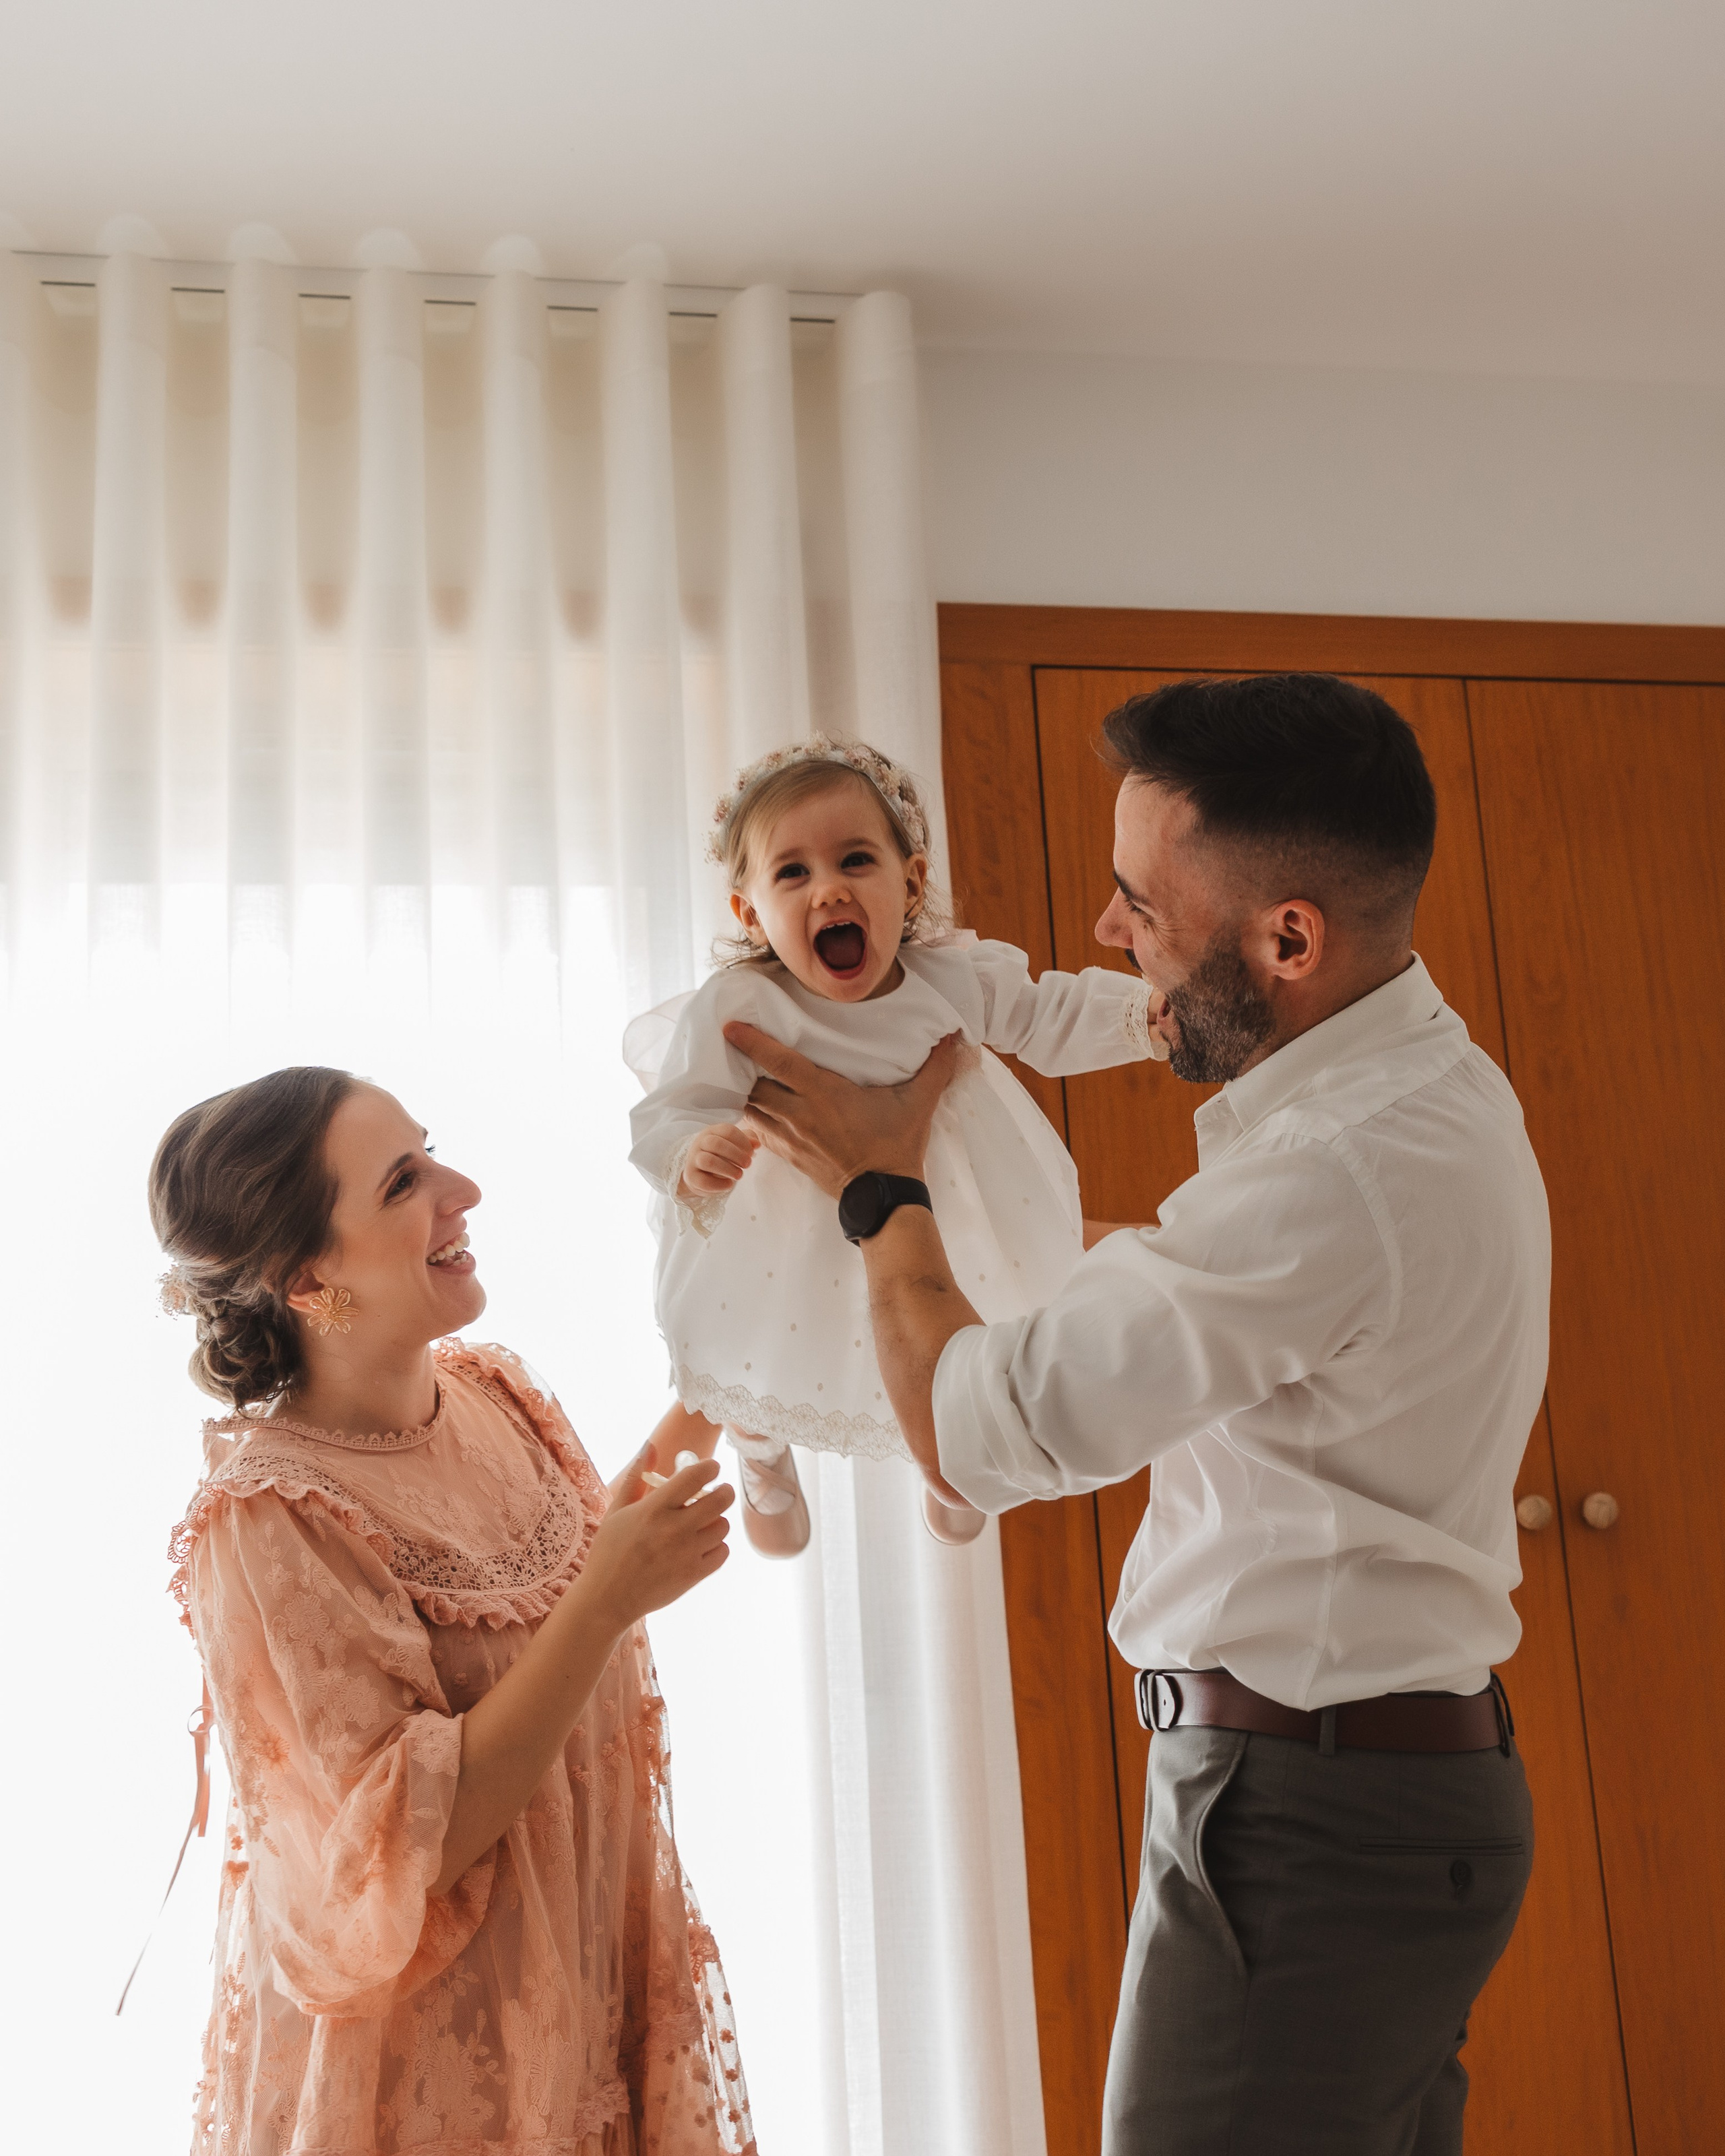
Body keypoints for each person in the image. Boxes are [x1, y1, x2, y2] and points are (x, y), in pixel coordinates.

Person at [722, 675, 1550, 2155]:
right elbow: (1249, 1307)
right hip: (1389, 1793)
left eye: (1138, 907)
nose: (1107, 939)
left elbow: (969, 1427)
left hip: (1305, 1820)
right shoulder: (1431, 1086)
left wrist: (880, 1184)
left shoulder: (1325, 1167)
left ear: (1284, 938)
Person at [152, 1067, 753, 2156]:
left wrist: (745, 1359)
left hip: (583, 2004)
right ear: (306, 1279)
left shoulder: (495, 1395)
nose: (461, 1188)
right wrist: (614, 1597)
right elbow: (398, 1848)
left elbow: (569, 1574)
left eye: (434, 1152)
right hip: (434, 2078)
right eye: (403, 1182)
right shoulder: (268, 1519)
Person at [623, 734, 1160, 1554]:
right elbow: (672, 1105)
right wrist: (692, 1152)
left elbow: (1048, 1013)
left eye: (855, 860)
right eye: (791, 872)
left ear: (909, 882)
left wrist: (1146, 1018)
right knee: (756, 1338)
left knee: (941, 1334)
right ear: (749, 910)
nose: (828, 887)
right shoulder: (743, 1003)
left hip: (942, 1206)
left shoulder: (952, 977)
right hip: (779, 1229)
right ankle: (762, 1451)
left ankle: (948, 1461)